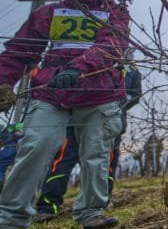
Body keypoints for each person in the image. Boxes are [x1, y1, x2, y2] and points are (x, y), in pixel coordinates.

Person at [0, 0, 130, 229]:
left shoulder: (114, 13)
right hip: (52, 91)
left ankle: (91, 212)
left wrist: (79, 67)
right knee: (36, 145)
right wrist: (3, 82)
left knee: (96, 153)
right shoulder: (49, 13)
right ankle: (11, 219)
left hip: (99, 92)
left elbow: (112, 45)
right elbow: (20, 51)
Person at [35, 62, 142, 219]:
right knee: (62, 163)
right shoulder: (85, 60)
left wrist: (118, 108)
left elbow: (135, 96)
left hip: (107, 120)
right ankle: (47, 206)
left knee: (102, 162)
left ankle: (96, 206)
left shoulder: (130, 69)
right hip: (75, 121)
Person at [0, 122, 25, 187]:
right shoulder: (17, 132)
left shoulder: (9, 131)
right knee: (3, 168)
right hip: (14, 150)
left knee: (1, 168)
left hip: (9, 149)